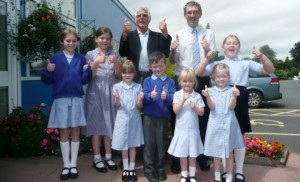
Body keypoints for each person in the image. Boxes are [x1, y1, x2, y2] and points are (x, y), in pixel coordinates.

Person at [196, 34, 275, 182]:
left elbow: (269, 69)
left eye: (235, 43)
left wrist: (261, 56)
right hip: (219, 99)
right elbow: (198, 72)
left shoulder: (246, 63)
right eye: (228, 43)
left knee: (238, 137)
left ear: (239, 47)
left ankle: (239, 171)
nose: (232, 45)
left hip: (239, 97)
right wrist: (207, 57)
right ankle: (226, 171)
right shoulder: (217, 64)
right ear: (223, 47)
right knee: (221, 136)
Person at [169, 0, 216, 172]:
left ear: (200, 14)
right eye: (189, 12)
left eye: (195, 12)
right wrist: (173, 50)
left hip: (201, 78)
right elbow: (173, 60)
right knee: (178, 118)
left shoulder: (209, 33)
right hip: (183, 78)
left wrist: (206, 50)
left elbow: (210, 57)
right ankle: (176, 158)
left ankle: (202, 156)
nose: (192, 15)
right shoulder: (178, 34)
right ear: (184, 15)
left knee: (203, 118)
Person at [41, 28, 92, 180]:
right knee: (64, 132)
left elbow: (84, 80)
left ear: (77, 42)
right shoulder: (55, 58)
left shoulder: (81, 58)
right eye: (68, 40)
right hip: (61, 99)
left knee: (75, 131)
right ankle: (66, 165)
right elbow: (46, 79)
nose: (71, 43)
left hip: (76, 99)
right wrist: (47, 70)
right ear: (62, 42)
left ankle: (73, 165)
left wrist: (87, 71)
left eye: (74, 41)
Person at [82, 27, 122, 173]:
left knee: (109, 124)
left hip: (111, 91)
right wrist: (95, 63)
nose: (104, 41)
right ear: (96, 39)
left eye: (107, 38)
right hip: (96, 91)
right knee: (96, 125)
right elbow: (89, 77)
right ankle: (97, 157)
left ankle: (109, 156)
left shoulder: (115, 54)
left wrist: (117, 62)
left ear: (110, 40)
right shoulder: (90, 54)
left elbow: (118, 75)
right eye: (102, 38)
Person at [202, 63, 245, 182]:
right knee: (216, 154)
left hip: (229, 124)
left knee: (229, 153)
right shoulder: (210, 91)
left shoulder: (232, 90)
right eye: (218, 76)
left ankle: (229, 177)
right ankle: (217, 177)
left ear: (228, 77)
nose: (221, 79)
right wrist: (207, 97)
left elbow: (231, 107)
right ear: (214, 77)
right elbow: (212, 107)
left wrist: (234, 96)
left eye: (224, 76)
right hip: (215, 124)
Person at [142, 51, 176, 182]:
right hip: (149, 117)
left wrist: (166, 97)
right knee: (149, 144)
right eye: (154, 66)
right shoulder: (147, 81)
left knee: (161, 144)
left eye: (160, 66)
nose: (157, 69)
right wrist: (149, 96)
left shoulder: (170, 81)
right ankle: (149, 170)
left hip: (162, 116)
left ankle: (160, 168)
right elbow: (143, 97)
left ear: (165, 65)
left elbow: (173, 98)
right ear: (150, 67)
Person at [167, 68, 205, 182]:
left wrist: (195, 108)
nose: (187, 83)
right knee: (182, 154)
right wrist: (183, 100)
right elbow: (175, 110)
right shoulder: (177, 95)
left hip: (193, 131)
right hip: (181, 131)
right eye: (184, 81)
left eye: (190, 81)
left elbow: (202, 112)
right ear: (180, 82)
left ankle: (192, 175)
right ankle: (184, 174)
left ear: (194, 82)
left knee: (192, 154)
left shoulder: (197, 96)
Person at [119, 6, 172, 83]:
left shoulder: (158, 36)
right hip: (133, 77)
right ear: (135, 19)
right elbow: (122, 53)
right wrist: (124, 34)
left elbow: (165, 54)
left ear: (149, 19)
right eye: (138, 16)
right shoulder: (129, 36)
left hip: (153, 77)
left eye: (144, 15)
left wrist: (165, 32)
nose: (141, 17)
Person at [111, 60, 144, 182]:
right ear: (121, 74)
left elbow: (139, 105)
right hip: (121, 119)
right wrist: (117, 98)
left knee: (132, 145)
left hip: (134, 119)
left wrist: (140, 99)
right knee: (124, 146)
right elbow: (116, 104)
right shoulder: (116, 87)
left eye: (130, 73)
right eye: (125, 73)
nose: (127, 75)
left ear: (134, 74)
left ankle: (132, 168)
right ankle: (125, 168)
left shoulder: (138, 87)